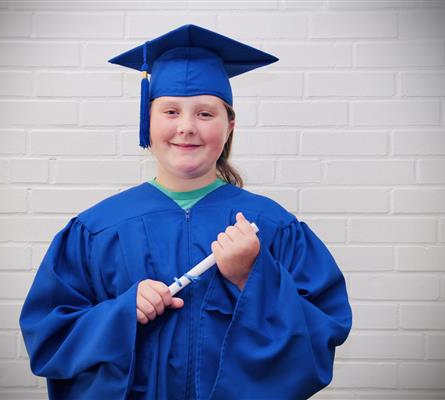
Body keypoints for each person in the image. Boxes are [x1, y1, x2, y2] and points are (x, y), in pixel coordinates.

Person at [19, 24, 352, 400]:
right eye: (171, 111)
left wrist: (252, 277)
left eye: (206, 114)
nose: (187, 127)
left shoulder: (271, 227)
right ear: (147, 121)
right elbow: (48, 338)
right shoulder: (96, 229)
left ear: (230, 127)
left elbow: (321, 333)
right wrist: (121, 313)